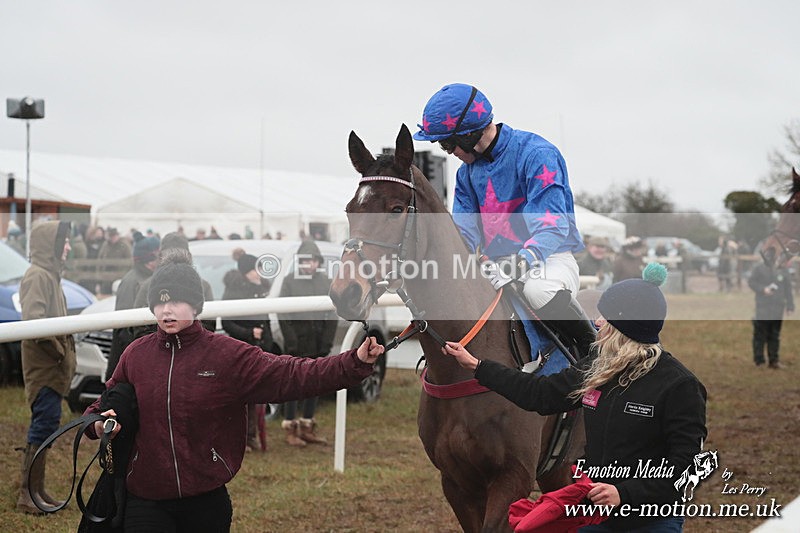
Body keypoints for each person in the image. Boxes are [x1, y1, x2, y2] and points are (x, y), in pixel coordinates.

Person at [85, 253, 384, 532]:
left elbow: (293, 374)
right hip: (144, 501)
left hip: (205, 501)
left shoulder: (226, 355)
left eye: (176, 301)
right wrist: (97, 423)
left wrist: (354, 362)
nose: (167, 310)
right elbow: (102, 404)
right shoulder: (136, 355)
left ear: (196, 305)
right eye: (160, 302)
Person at [444, 264, 707, 532]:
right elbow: (541, 394)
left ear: (625, 329)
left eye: (605, 319)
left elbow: (686, 469)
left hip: (650, 521)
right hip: (594, 515)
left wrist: (624, 494)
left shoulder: (680, 386)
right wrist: (478, 367)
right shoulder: (599, 367)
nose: (596, 323)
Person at [414, 83, 595, 356]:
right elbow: (463, 235)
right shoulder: (466, 174)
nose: (448, 151)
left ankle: (593, 352)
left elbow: (552, 225)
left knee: (538, 291)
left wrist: (520, 262)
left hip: (548, 259)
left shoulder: (537, 154)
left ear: (470, 134)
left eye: (447, 143)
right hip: (496, 267)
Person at [16, 220, 75, 514]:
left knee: (48, 426)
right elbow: (35, 323)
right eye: (62, 241)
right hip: (44, 369)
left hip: (53, 369)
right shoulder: (38, 276)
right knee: (42, 427)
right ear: (49, 245)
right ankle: (27, 495)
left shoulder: (51, 275)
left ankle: (36, 490)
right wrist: (60, 351)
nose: (68, 246)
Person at [279, 240, 337, 446]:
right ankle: (291, 428)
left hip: (318, 342)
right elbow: (282, 313)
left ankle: (307, 425)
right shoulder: (289, 281)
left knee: (315, 384)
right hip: (296, 343)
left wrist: (327, 342)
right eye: (305, 261)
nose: (309, 264)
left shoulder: (325, 281)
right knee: (293, 386)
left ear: (317, 262)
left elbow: (332, 314)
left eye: (312, 260)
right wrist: (291, 341)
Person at [222, 251, 277, 452]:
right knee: (240, 398)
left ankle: (251, 436)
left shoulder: (261, 290)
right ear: (246, 272)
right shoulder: (232, 292)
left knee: (254, 395)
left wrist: (267, 343)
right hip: (240, 350)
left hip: (259, 349)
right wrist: (249, 333)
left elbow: (266, 318)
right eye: (255, 269)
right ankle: (240, 438)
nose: (259, 273)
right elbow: (228, 323)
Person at [105, 235, 161, 380]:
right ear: (150, 260)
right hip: (129, 361)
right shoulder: (133, 282)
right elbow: (124, 328)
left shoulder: (148, 278)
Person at [748, 255, 794, 369]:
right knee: (760, 334)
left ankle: (774, 360)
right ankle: (759, 361)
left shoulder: (783, 270)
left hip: (778, 308)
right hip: (763, 307)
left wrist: (790, 305)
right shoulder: (759, 268)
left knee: (774, 335)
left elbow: (788, 288)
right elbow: (751, 282)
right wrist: (763, 289)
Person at [97, 227, 132, 295]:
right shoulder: (105, 245)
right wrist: (99, 276)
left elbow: (129, 261)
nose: (113, 238)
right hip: (106, 276)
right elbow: (100, 260)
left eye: (114, 236)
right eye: (111, 236)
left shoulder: (124, 246)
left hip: (119, 276)